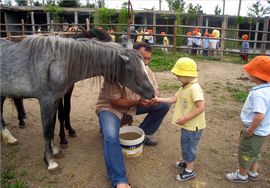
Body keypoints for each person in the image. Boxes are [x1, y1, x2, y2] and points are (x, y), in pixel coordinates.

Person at [95, 43, 170, 188]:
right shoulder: (115, 72)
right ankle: (119, 181)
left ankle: (144, 134)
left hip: (133, 105)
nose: (146, 63)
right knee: (110, 136)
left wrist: (152, 99)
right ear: (131, 56)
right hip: (110, 108)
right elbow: (115, 101)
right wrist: (137, 101)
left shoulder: (147, 71)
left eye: (148, 59)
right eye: (143, 58)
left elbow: (156, 91)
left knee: (163, 105)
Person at [156, 57, 206, 181]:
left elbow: (201, 107)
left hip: (193, 125)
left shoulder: (194, 88)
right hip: (187, 124)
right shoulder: (185, 86)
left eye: (179, 76)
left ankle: (189, 171)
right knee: (185, 144)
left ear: (187, 75)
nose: (178, 78)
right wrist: (158, 100)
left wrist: (185, 118)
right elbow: (174, 99)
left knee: (189, 146)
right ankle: (186, 161)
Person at [225, 56, 270, 183]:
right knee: (255, 152)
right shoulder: (267, 89)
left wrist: (249, 130)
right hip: (263, 131)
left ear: (257, 75)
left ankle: (242, 175)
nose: (247, 73)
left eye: (249, 71)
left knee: (245, 152)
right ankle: (253, 172)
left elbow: (259, 115)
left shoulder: (259, 94)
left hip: (254, 130)